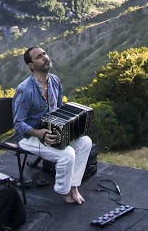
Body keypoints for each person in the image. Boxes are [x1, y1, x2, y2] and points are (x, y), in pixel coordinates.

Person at [11, 46, 93, 204]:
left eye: (45, 54)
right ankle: (63, 190)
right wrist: (39, 133)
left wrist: (68, 127)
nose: (45, 57)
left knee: (85, 142)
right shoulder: (24, 90)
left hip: (51, 131)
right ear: (31, 66)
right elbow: (18, 124)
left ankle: (74, 186)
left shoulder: (55, 80)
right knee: (67, 154)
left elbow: (60, 109)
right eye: (39, 57)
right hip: (28, 136)